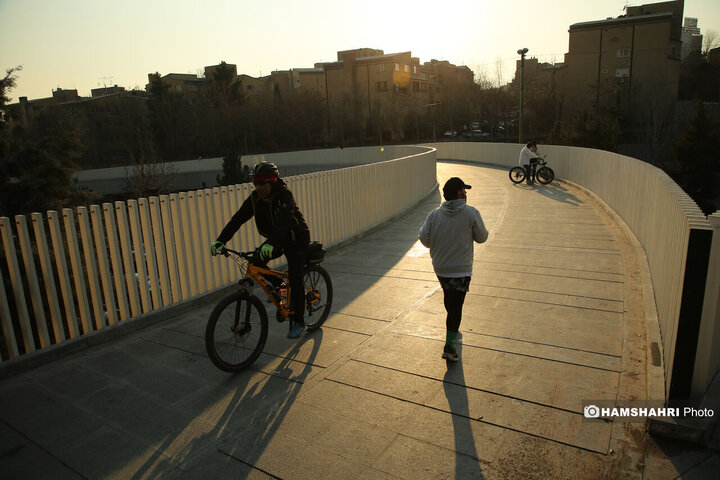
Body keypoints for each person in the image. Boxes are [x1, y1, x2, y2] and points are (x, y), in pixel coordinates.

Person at [210, 161, 311, 339]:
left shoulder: (284, 195)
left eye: (262, 183)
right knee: (255, 262)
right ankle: (280, 286)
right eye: (255, 183)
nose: (258, 187)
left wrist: (271, 242)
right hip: (277, 239)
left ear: (272, 181)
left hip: (297, 239)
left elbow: (283, 222)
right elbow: (238, 219)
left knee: (295, 277)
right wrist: (220, 240)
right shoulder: (255, 198)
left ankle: (299, 321)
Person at [419, 177, 489, 362]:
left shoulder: (434, 215)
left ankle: (452, 329)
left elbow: (424, 239)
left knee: (450, 299)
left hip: (441, 268)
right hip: (461, 270)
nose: (466, 194)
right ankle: (449, 347)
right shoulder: (471, 213)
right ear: (459, 193)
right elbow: (482, 237)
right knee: (456, 307)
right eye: (464, 190)